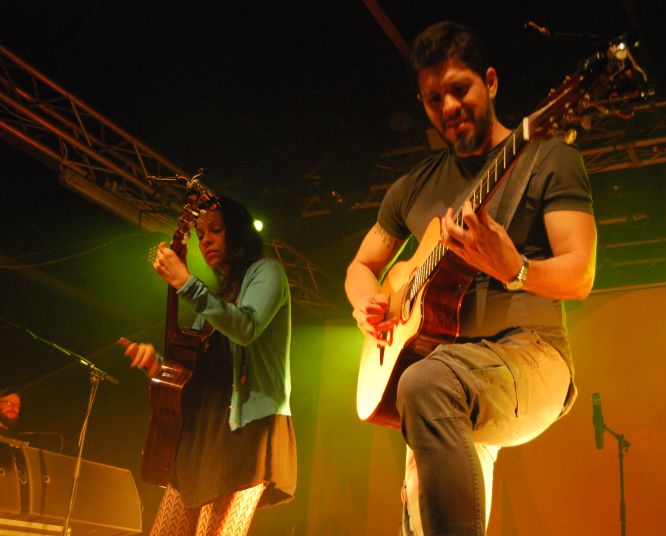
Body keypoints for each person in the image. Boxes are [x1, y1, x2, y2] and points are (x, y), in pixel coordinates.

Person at [344, 21, 596, 535]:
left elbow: (580, 274)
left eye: (460, 89)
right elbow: (360, 267)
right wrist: (370, 303)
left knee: (426, 383)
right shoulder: (412, 188)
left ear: (492, 81)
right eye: (434, 98)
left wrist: (515, 268)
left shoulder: (548, 158)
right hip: (442, 370)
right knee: (417, 522)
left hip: (532, 356)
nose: (449, 106)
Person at [122, 197, 296, 536]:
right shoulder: (214, 297)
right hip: (202, 430)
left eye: (216, 230)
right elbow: (199, 370)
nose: (206, 241)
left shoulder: (267, 272)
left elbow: (245, 327)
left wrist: (185, 283)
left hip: (247, 429)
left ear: (239, 234)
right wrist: (158, 367)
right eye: (201, 234)